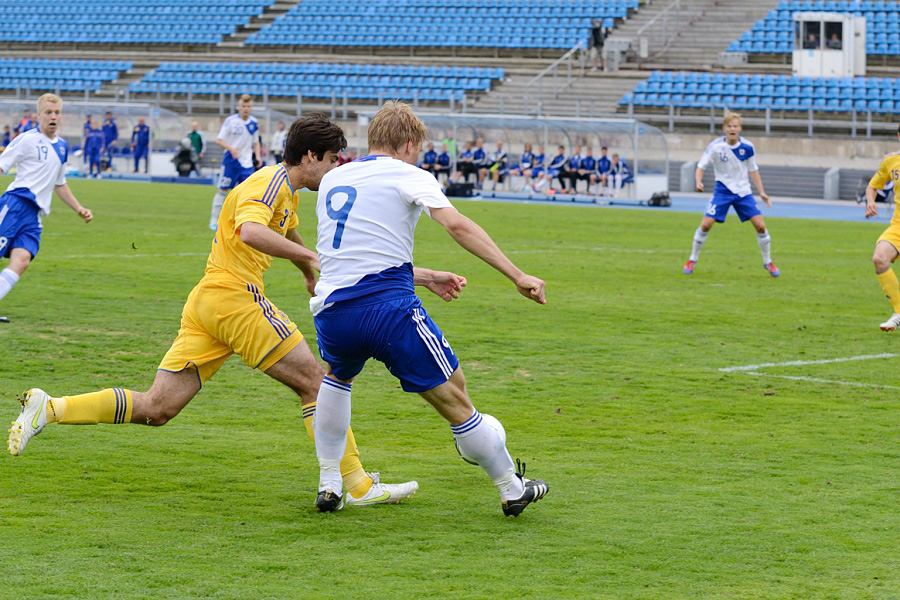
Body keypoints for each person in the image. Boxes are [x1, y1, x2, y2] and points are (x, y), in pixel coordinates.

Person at [7, 113, 419, 509]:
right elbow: (252, 230)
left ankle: (50, 408)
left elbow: (283, 224)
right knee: (319, 382)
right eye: (331, 160)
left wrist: (305, 268)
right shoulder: (270, 182)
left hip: (207, 302)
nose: (334, 169)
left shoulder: (284, 190)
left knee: (158, 408)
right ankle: (356, 484)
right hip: (236, 298)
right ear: (310, 156)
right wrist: (315, 256)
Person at [310, 101, 550, 516]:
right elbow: (456, 225)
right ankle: (512, 487)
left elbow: (357, 253)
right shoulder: (409, 174)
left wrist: (424, 275)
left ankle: (330, 482)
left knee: (337, 377)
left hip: (333, 308)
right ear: (408, 144)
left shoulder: (335, 177)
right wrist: (516, 275)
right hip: (389, 311)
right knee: (456, 399)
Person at [0, 94, 93, 324]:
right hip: (15, 204)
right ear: (38, 115)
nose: (53, 117)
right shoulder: (27, 139)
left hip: (34, 215)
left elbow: (59, 183)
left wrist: (78, 208)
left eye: (57, 112)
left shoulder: (61, 147)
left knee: (21, 261)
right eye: (48, 112)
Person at [683, 112, 778, 277]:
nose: (732, 129)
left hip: (743, 192)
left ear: (740, 128)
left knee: (761, 226)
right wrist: (698, 181)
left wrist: (761, 192)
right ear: (724, 128)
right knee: (705, 225)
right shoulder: (715, 147)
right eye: (729, 126)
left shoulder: (748, 147)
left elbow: (753, 170)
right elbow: (701, 166)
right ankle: (692, 259)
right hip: (723, 190)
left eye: (735, 126)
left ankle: (768, 262)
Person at [864, 124, 900, 331]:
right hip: (898, 226)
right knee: (879, 258)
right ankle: (899, 312)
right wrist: (871, 201)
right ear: (898, 136)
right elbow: (873, 185)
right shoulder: (891, 161)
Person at [210, 94, 260, 231]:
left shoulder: (254, 123)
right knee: (223, 190)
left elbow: (256, 141)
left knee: (247, 193)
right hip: (231, 162)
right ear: (239, 107)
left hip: (247, 164)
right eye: (243, 106)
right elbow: (219, 140)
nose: (246, 109)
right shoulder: (230, 121)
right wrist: (230, 148)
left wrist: (258, 156)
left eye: (248, 106)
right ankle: (214, 220)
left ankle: (241, 221)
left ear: (251, 108)